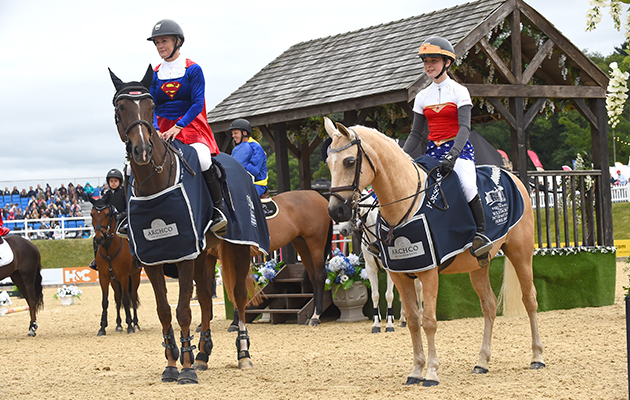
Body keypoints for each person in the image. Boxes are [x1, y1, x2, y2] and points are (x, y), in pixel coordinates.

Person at [402, 36, 493, 266]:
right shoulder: (422, 96)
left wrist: (453, 154)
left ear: (447, 62)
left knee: (467, 183)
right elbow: (416, 135)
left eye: (433, 61)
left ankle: (481, 235)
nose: (428, 66)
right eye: (425, 62)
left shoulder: (459, 91)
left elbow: (465, 128)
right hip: (432, 152)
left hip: (458, 150)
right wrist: (402, 156)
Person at [147, 19, 226, 234]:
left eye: (164, 41)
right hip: (162, 129)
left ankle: (218, 209)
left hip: (190, 126)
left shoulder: (193, 70)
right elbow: (151, 105)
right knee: (134, 164)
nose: (160, 46)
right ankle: (129, 215)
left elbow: (197, 103)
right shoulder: (155, 73)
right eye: (156, 43)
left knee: (202, 159)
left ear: (177, 42)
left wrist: (179, 126)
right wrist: (155, 129)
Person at [88, 168, 128, 270]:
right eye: (111, 181)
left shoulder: (124, 192)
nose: (113, 183)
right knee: (96, 237)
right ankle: (96, 260)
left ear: (119, 181)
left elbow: (129, 207)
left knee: (131, 233)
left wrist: (120, 215)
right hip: (110, 222)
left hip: (123, 220)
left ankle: (136, 257)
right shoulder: (106, 194)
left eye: (115, 181)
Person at [228, 118, 269, 197]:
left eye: (235, 133)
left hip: (257, 185)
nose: (233, 136)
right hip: (244, 183)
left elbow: (253, 171)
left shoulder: (256, 148)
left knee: (241, 197)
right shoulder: (238, 148)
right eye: (232, 133)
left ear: (244, 132)